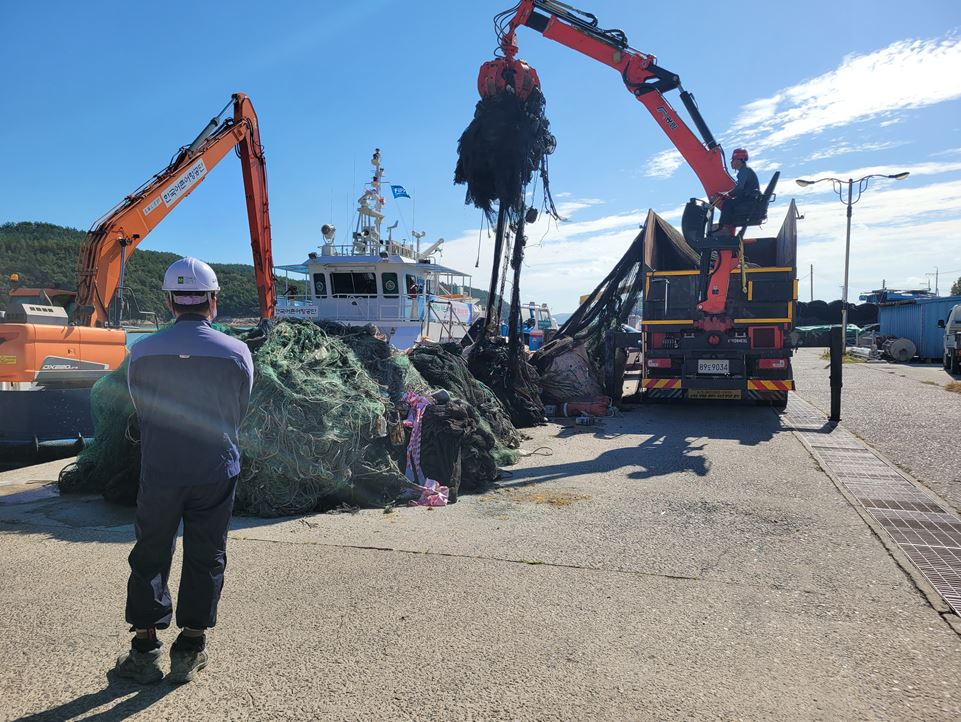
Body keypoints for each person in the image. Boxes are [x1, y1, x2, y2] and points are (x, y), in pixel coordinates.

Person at [113, 257, 254, 685]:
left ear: (169, 302)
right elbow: (240, 409)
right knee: (206, 553)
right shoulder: (236, 351)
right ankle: (189, 649)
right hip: (215, 467)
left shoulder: (141, 351)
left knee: (150, 553)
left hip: (160, 469)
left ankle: (145, 651)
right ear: (212, 302)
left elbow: (140, 407)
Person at [717, 147, 760, 230]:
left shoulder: (744, 171)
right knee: (730, 202)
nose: (731, 162)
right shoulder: (746, 171)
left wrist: (728, 194)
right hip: (750, 198)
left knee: (727, 203)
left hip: (749, 199)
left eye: (733, 160)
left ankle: (722, 227)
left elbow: (740, 188)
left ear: (739, 160)